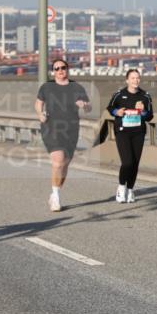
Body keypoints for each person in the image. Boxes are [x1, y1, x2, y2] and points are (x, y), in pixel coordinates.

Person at [34, 58, 91, 212]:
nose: (60, 71)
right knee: (58, 161)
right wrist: (40, 115)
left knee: (65, 164)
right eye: (57, 68)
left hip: (71, 129)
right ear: (54, 71)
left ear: (67, 69)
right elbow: (38, 103)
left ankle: (55, 193)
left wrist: (84, 105)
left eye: (63, 68)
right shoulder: (47, 87)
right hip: (51, 127)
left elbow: (88, 108)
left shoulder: (76, 87)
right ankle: (56, 197)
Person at [106, 69, 154, 203]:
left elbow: (150, 116)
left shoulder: (145, 96)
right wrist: (117, 112)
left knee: (135, 163)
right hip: (122, 132)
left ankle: (130, 189)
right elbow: (109, 108)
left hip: (138, 132)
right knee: (127, 162)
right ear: (127, 80)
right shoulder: (119, 95)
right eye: (132, 78)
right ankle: (121, 187)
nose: (135, 80)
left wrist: (143, 110)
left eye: (137, 78)